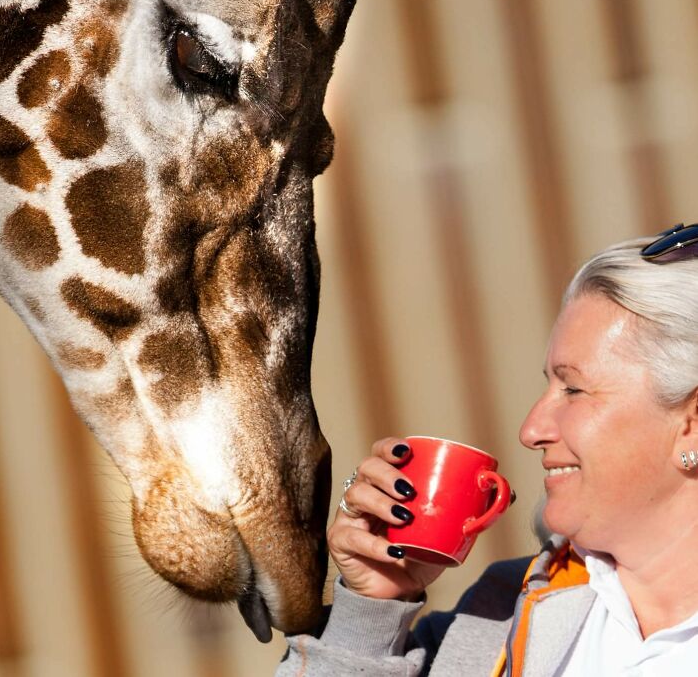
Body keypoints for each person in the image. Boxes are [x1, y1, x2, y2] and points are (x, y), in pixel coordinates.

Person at [276, 225, 698, 676]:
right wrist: (371, 612)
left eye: (573, 388)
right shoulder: (494, 615)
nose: (531, 430)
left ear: (691, 426)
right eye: (548, 385)